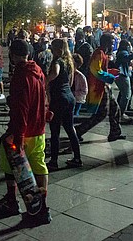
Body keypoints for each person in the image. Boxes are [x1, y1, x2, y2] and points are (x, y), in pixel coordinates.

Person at [0, 39, 51, 226]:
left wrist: (18, 137)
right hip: (39, 129)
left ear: (14, 55)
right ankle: (42, 207)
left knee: (11, 165)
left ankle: (12, 201)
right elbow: (43, 97)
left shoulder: (20, 75)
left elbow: (21, 108)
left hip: (24, 131)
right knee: (39, 166)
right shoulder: (38, 71)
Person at [75, 34, 125, 142]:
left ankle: (115, 132)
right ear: (106, 43)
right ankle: (78, 130)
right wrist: (110, 76)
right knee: (102, 114)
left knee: (115, 108)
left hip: (105, 86)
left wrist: (111, 72)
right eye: (111, 43)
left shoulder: (103, 54)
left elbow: (100, 70)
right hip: (99, 87)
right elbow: (96, 71)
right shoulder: (98, 53)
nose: (113, 45)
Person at [46, 38, 81, 171]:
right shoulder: (70, 62)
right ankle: (77, 158)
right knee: (70, 128)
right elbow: (71, 81)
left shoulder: (58, 61)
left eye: (53, 48)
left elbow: (55, 72)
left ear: (58, 49)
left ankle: (54, 161)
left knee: (55, 131)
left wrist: (46, 80)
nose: (51, 50)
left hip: (58, 98)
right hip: (69, 97)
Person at [115, 40, 133, 118]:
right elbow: (127, 58)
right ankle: (121, 113)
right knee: (126, 95)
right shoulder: (123, 53)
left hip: (121, 75)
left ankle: (119, 111)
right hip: (123, 75)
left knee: (123, 94)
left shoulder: (120, 52)